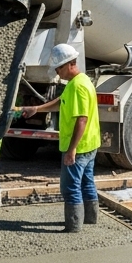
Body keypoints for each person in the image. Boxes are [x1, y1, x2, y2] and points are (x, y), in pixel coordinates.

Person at [19, 43, 99, 232]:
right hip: (90, 145)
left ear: (71, 64)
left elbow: (82, 120)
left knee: (70, 187)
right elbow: (61, 102)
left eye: (59, 67)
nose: (57, 72)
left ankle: (73, 226)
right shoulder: (80, 82)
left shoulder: (78, 87)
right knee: (87, 182)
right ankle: (90, 219)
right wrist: (37, 109)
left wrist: (71, 150)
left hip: (79, 147)